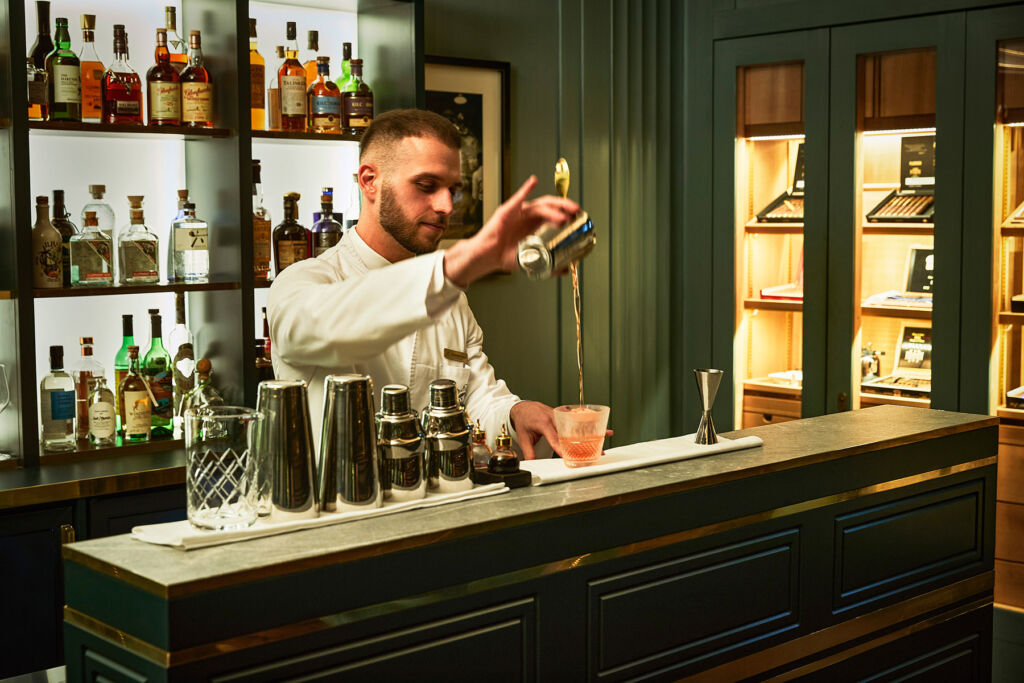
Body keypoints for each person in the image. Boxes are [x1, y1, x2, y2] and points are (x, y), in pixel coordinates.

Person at [267, 108, 579, 459]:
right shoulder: (303, 283)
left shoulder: (452, 300)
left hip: (438, 504)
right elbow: (324, 325)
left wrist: (513, 413)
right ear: (370, 181)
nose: (447, 206)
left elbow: (475, 397)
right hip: (343, 509)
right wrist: (463, 262)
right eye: (427, 186)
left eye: (453, 190)